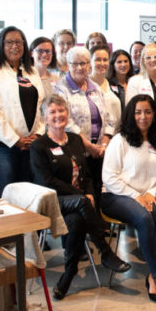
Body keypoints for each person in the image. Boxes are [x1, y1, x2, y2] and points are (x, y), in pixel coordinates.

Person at [30, 95, 130, 300]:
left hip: (78, 205)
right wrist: (82, 196)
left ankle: (69, 273)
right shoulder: (39, 146)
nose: (58, 115)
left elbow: (87, 175)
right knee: (83, 204)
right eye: (52, 112)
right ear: (44, 119)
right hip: (52, 201)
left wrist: (91, 193)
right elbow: (47, 182)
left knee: (76, 219)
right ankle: (105, 252)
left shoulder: (75, 140)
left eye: (61, 110)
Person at [101, 95, 156, 305]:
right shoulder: (120, 140)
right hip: (118, 195)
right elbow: (109, 177)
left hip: (150, 194)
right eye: (138, 112)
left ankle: (152, 276)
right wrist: (137, 196)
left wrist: (151, 193)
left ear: (154, 114)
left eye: (147, 111)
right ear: (130, 115)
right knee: (144, 218)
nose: (143, 117)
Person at [0, 26, 46, 197]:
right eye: (9, 42)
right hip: (2, 145)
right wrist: (15, 139)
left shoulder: (31, 71)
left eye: (18, 42)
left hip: (30, 143)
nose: (14, 46)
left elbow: (41, 106)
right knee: (6, 193)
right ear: (0, 45)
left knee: (27, 193)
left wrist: (37, 134)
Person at [54, 46, 115, 204]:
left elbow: (109, 118)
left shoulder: (96, 88)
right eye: (75, 64)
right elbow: (68, 124)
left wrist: (104, 144)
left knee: (99, 190)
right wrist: (88, 146)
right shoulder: (61, 90)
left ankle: (100, 226)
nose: (80, 67)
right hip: (77, 152)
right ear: (68, 65)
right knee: (84, 194)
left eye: (84, 63)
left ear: (89, 65)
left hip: (99, 151)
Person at [125, 42, 156, 112]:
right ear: (143, 61)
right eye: (148, 58)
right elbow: (130, 110)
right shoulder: (134, 82)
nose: (153, 60)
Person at [90, 46, 123, 131]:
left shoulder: (114, 85)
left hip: (114, 136)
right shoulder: (85, 85)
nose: (102, 63)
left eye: (105, 60)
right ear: (90, 62)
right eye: (98, 60)